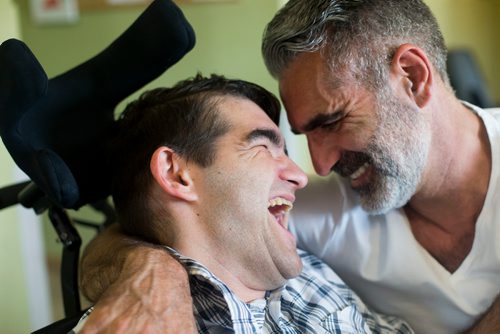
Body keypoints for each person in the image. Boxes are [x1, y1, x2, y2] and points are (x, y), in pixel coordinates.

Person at [78, 1, 500, 333]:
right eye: (299, 138)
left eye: (332, 121)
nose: (316, 165)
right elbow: (144, 228)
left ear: (411, 76)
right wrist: (153, 275)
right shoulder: (320, 211)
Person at [75, 74, 413, 333]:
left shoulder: (304, 272)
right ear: (176, 175)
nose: (300, 176)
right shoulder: (136, 323)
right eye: (264, 148)